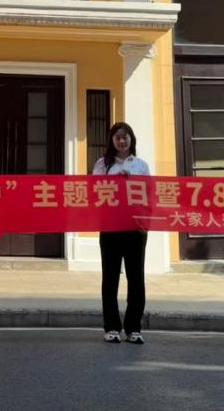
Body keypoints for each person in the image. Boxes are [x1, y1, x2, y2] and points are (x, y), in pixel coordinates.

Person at [93, 122, 151, 344]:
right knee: (110, 278)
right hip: (111, 227)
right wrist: (115, 181)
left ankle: (134, 328)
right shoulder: (102, 164)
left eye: (125, 136)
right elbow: (95, 191)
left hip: (136, 228)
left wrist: (132, 181)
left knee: (136, 278)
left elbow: (149, 194)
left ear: (131, 139)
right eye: (117, 137)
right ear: (112, 140)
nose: (122, 141)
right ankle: (111, 327)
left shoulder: (141, 165)